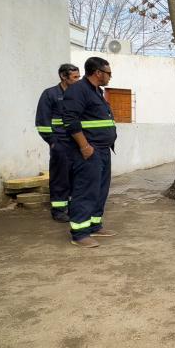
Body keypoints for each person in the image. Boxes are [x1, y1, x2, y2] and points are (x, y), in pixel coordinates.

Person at [62, 56, 117, 248]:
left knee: (100, 190)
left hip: (102, 150)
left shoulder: (96, 91)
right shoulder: (78, 90)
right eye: (108, 73)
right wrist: (85, 147)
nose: (110, 76)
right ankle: (79, 233)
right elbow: (70, 121)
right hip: (88, 151)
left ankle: (94, 225)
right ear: (98, 73)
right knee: (85, 191)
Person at [35, 64, 81, 222]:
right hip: (60, 143)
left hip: (77, 142)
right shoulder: (50, 94)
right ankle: (59, 210)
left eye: (79, 77)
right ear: (63, 76)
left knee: (76, 177)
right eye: (75, 77)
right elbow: (42, 121)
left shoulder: (78, 94)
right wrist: (52, 142)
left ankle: (72, 207)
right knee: (60, 177)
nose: (78, 80)